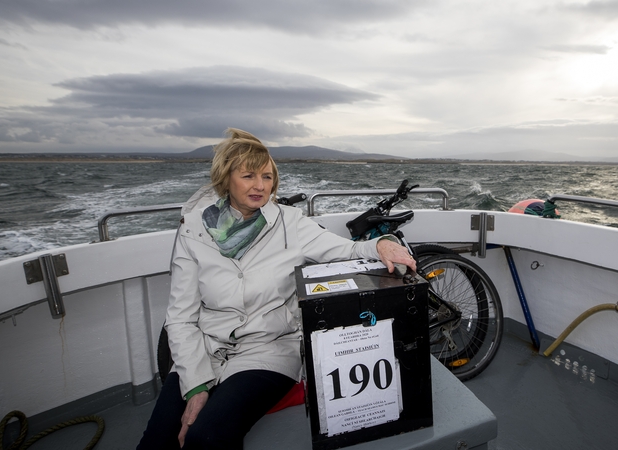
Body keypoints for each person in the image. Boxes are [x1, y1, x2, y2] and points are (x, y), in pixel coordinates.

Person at [136, 128, 416, 449]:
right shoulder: (195, 230)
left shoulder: (290, 222)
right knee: (157, 439)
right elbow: (181, 318)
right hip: (207, 347)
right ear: (226, 179)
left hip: (268, 350)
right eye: (249, 175)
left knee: (207, 434)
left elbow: (346, 249)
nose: (260, 186)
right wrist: (196, 386)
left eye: (267, 177)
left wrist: (383, 244)